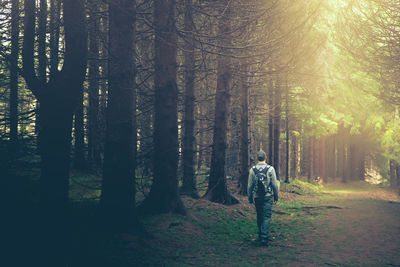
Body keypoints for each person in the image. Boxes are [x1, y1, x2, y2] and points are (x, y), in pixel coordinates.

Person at [248, 150, 279, 246]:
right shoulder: (270, 169)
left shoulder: (252, 170)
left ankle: (260, 234)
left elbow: (250, 186)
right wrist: (276, 196)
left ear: (257, 158)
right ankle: (264, 237)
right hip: (268, 196)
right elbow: (274, 184)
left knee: (259, 215)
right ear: (265, 158)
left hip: (257, 196)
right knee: (267, 216)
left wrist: (250, 197)